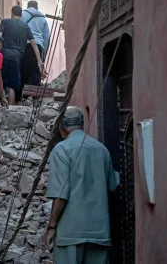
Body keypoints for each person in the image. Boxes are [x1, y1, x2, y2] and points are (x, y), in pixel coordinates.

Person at [40, 107, 119, 264]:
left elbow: (60, 194)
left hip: (71, 233)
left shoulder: (62, 150)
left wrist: (51, 227)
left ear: (62, 128)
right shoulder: (102, 150)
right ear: (82, 125)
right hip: (100, 231)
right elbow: (112, 186)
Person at [0, 5, 45, 105]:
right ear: (21, 15)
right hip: (16, 58)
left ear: (12, 13)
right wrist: (39, 61)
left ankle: (1, 107)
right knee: (12, 85)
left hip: (3, 55)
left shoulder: (5, 22)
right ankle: (10, 109)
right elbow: (34, 44)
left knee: (0, 81)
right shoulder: (25, 26)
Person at [18, 0, 50, 102]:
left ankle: (23, 96)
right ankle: (35, 96)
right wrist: (44, 52)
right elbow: (46, 37)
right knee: (36, 69)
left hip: (24, 44)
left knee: (24, 69)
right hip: (38, 45)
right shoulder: (43, 19)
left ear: (27, 6)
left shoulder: (22, 14)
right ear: (37, 7)